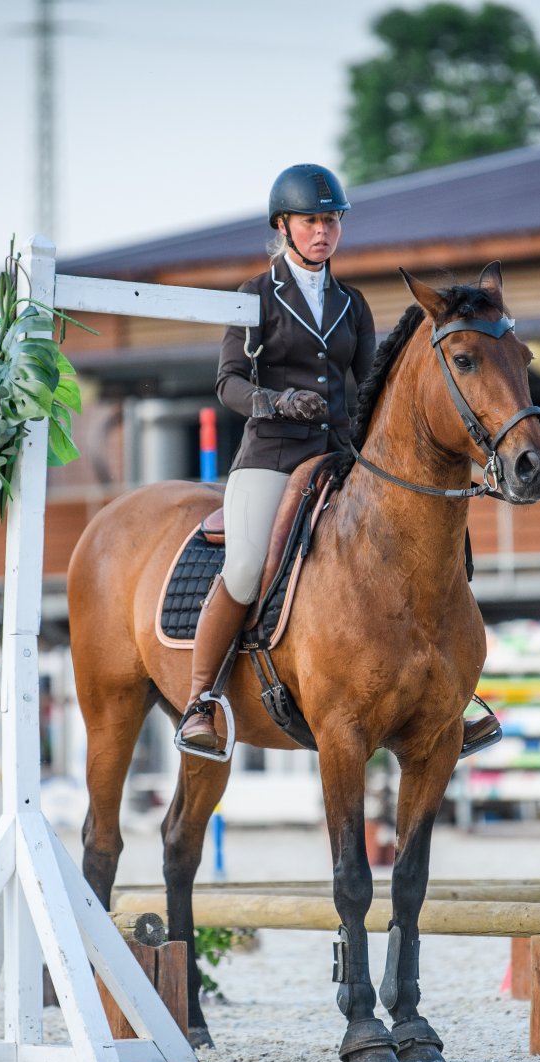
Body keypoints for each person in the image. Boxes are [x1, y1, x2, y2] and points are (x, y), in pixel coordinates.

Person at [178, 163, 495, 759]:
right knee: (245, 566)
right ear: (284, 225)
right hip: (270, 457)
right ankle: (202, 700)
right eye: (310, 221)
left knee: (440, 549)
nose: (322, 231)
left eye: (330, 220)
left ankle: (457, 691)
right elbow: (227, 383)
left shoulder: (351, 303)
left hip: (343, 458)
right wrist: (273, 400)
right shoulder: (256, 297)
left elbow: (374, 388)